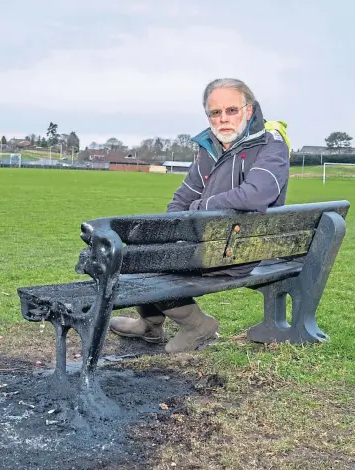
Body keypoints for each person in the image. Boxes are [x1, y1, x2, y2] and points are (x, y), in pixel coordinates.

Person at [109, 78, 290, 354]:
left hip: (239, 249)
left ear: (249, 111)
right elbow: (182, 199)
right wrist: (172, 230)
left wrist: (203, 206)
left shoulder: (269, 145)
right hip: (211, 244)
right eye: (215, 113)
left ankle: (198, 325)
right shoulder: (210, 149)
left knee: (144, 259)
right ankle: (150, 322)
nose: (223, 119)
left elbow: (255, 194)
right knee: (147, 245)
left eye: (231, 110)